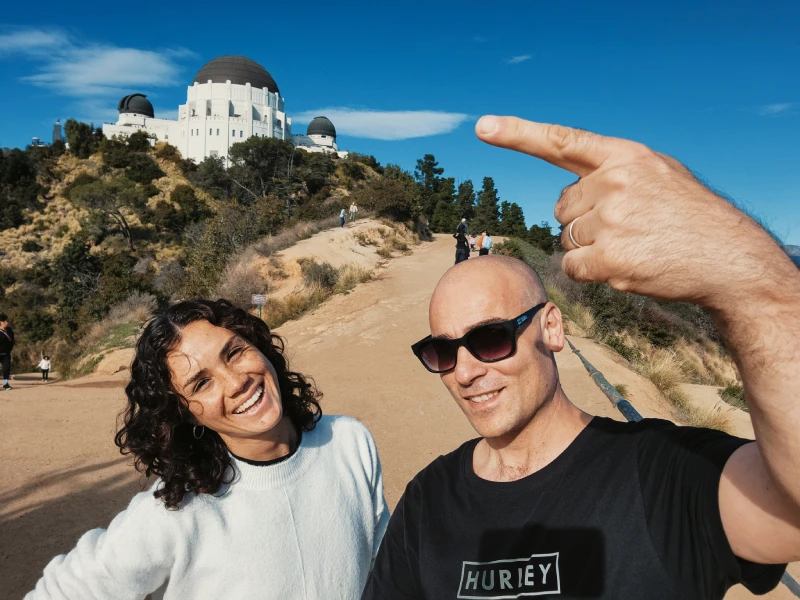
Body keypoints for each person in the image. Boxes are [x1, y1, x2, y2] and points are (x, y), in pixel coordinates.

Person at [362, 116, 800, 599]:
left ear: (552, 327)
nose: (464, 372)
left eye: (489, 339)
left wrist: (758, 285)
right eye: (442, 351)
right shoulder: (427, 500)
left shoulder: (662, 474)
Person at [28, 299, 389, 599]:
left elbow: (384, 570)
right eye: (201, 383)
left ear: (259, 347)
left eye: (234, 353)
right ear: (186, 415)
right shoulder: (180, 510)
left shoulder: (348, 442)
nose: (236, 382)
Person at [0, 313, 14, 391]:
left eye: (7, 321)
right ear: (0, 322)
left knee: (6, 369)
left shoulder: (9, 331)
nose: (6, 322)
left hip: (6, 354)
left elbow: (12, 341)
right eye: (5, 321)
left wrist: (9, 351)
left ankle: (6, 384)